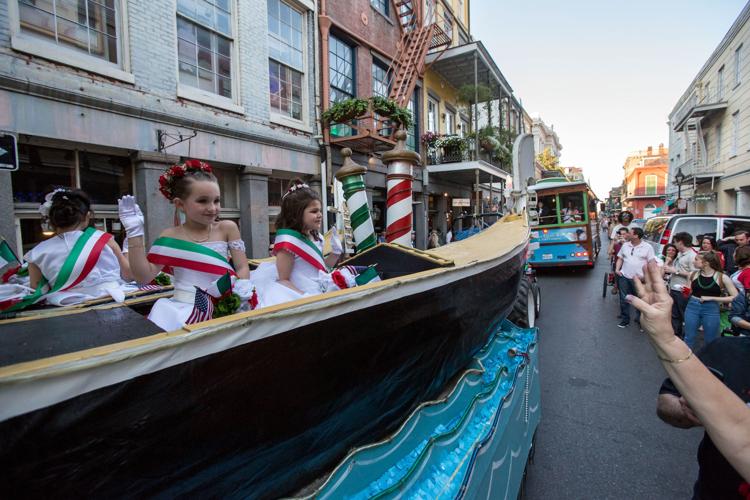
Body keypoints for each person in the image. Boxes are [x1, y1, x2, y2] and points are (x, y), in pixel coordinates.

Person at [627, 261, 750, 488]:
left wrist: (666, 341)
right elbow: (666, 403)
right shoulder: (726, 351)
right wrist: (687, 408)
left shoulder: (722, 277)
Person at [119, 160, 251, 331]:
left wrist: (241, 292)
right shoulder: (170, 236)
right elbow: (143, 277)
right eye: (203, 201)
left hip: (229, 304)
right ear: (180, 204)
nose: (212, 208)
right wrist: (134, 233)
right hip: (182, 310)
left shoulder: (228, 228)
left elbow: (241, 266)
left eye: (216, 200)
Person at [8, 189, 133, 309]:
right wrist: (127, 250)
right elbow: (128, 276)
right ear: (87, 216)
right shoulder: (105, 239)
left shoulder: (36, 253)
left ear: (52, 220)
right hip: (113, 300)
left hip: (66, 307)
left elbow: (38, 291)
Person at [251, 179, 345, 307]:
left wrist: (335, 253)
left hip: (318, 291)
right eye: (314, 211)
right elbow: (283, 280)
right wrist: (306, 298)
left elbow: (323, 269)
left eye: (319, 210)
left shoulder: (316, 237)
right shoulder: (288, 244)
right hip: (298, 296)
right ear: (297, 214)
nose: (320, 215)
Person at [683, 251, 738, 349]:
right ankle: (685, 362)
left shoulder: (722, 277)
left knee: (710, 340)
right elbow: (688, 293)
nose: (693, 262)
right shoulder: (692, 274)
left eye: (696, 259)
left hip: (711, 308)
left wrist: (712, 298)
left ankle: (708, 363)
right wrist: (685, 291)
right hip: (692, 306)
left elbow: (735, 297)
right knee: (688, 337)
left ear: (706, 263)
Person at [615, 227, 656, 329]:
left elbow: (651, 262)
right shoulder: (625, 245)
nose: (627, 234)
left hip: (639, 279)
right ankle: (625, 320)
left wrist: (648, 276)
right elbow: (620, 258)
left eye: (629, 233)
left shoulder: (648, 247)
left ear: (636, 236)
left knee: (641, 300)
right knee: (623, 299)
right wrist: (617, 269)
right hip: (624, 276)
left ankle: (640, 322)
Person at [663, 232, 697, 339]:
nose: (674, 244)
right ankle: (676, 335)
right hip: (674, 288)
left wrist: (675, 271)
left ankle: (687, 338)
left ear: (681, 242)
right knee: (675, 314)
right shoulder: (680, 254)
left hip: (683, 290)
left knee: (684, 315)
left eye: (675, 242)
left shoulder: (692, 256)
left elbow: (694, 274)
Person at [729, 246, 750, 335]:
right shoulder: (743, 269)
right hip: (738, 302)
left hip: (743, 306)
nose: (733, 255)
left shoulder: (747, 272)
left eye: (734, 253)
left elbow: (748, 292)